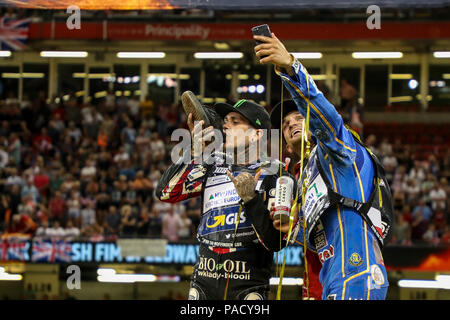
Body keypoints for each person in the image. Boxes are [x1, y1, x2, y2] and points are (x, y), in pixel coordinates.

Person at [254, 32, 394, 300]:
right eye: (285, 124)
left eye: (298, 117)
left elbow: (324, 117)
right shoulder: (309, 175)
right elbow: (320, 235)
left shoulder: (338, 149)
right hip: (330, 279)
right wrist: (293, 228)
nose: (291, 123)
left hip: (357, 274)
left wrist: (291, 68)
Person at [156, 96, 285, 300]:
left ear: (256, 135)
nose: (226, 126)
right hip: (203, 283)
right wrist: (193, 151)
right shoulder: (211, 164)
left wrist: (251, 199)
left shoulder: (275, 173)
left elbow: (275, 242)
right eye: (226, 121)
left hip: (247, 287)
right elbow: (165, 193)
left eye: (236, 122)